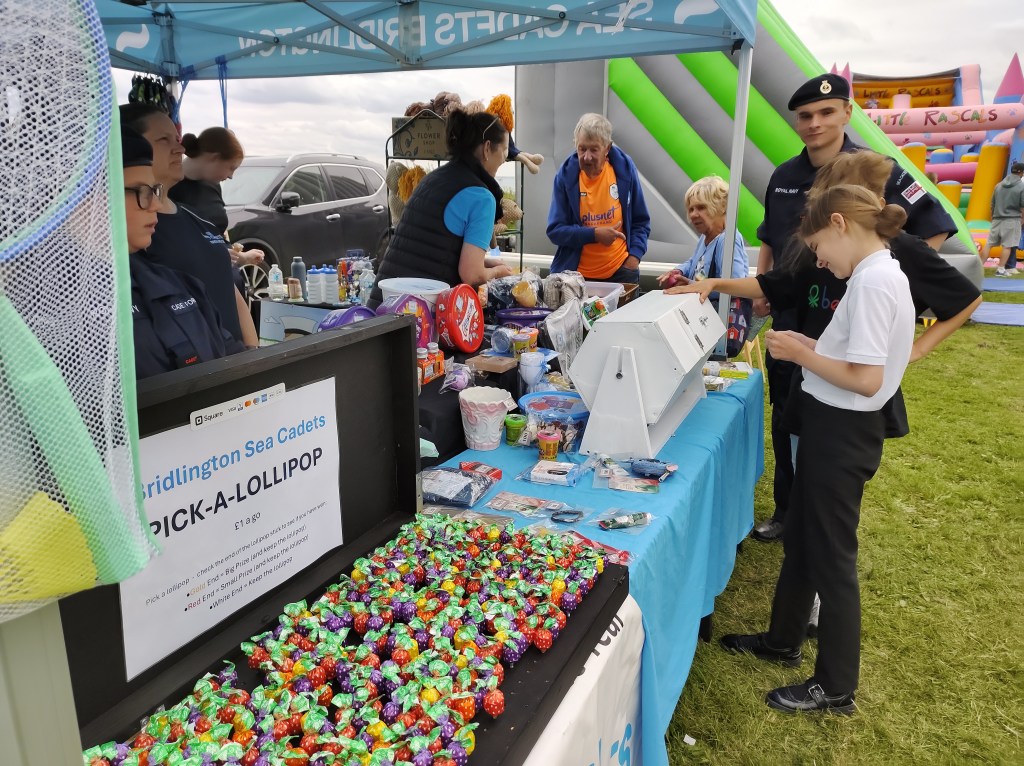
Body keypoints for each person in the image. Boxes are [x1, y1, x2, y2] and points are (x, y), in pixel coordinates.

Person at [721, 185, 916, 714]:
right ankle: (781, 641)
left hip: (843, 431)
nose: (820, 261)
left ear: (838, 224)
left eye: (818, 248)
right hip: (832, 423)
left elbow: (867, 377)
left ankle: (834, 684)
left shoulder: (875, 281)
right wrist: (808, 345)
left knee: (831, 558)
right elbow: (849, 353)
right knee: (804, 538)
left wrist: (803, 358)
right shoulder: (873, 275)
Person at [750, 73, 957, 543]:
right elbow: (769, 237)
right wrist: (764, 285)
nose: (815, 123)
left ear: (847, 112)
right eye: (805, 116)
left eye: (826, 112)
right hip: (792, 314)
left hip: (842, 322)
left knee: (831, 425)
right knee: (788, 417)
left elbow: (933, 229)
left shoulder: (877, 168)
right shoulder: (783, 175)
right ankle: (789, 512)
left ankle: (820, 519)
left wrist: (883, 279)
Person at [119, 104, 258, 348]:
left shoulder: (196, 217)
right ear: (129, 144)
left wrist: (252, 352)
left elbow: (229, 288)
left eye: (177, 138)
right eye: (164, 139)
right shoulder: (134, 233)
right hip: (190, 372)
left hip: (233, 362)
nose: (180, 148)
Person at [368, 109, 514, 309]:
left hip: (383, 304)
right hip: (417, 315)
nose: (505, 158)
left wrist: (488, 263)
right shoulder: (481, 197)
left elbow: (435, 248)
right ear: (487, 148)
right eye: (504, 149)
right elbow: (471, 275)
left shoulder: (433, 179)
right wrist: (498, 273)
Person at [547, 113, 651, 284]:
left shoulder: (624, 169)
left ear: (607, 148)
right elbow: (555, 231)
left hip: (622, 273)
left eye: (594, 150)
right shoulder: (565, 177)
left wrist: (634, 259)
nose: (586, 157)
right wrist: (594, 234)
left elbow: (641, 222)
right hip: (576, 278)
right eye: (581, 149)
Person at [169, 126, 265, 270]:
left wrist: (242, 257)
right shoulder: (171, 188)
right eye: (231, 167)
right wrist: (213, 255)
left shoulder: (212, 184)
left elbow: (217, 236)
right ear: (214, 157)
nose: (231, 176)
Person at [655, 175, 748, 303]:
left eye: (701, 207)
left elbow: (735, 286)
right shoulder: (705, 236)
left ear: (722, 207)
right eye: (691, 209)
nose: (693, 214)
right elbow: (695, 262)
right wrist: (679, 270)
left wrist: (691, 286)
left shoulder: (727, 241)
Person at [980, 161, 1024, 276]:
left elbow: (992, 204)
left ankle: (978, 267)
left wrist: (993, 217)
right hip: (1012, 219)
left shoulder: (998, 185)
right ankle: (1001, 269)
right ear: (1021, 173)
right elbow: (1023, 206)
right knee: (1007, 245)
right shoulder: (1021, 186)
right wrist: (1022, 219)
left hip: (996, 218)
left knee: (989, 244)